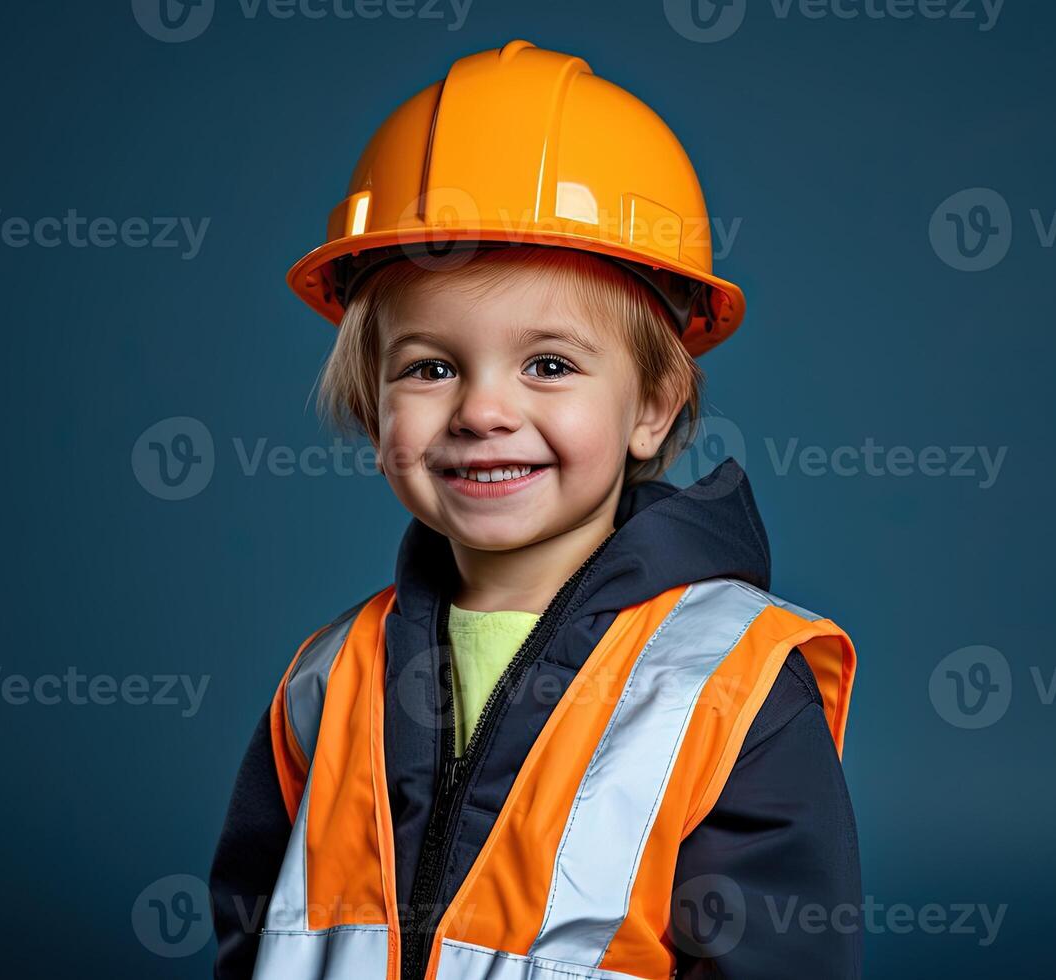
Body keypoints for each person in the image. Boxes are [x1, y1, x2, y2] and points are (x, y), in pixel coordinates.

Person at [209, 39, 860, 980]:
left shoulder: (734, 688)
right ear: (371, 403)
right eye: (431, 367)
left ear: (652, 408)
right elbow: (251, 927)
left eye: (549, 365)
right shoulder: (328, 679)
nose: (481, 410)